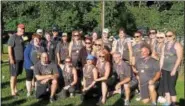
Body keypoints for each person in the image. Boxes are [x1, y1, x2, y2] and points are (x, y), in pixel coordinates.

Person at [160, 30, 183, 106]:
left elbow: (179, 58)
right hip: (164, 69)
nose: (167, 37)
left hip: (172, 69)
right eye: (166, 36)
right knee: (166, 86)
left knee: (171, 86)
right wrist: (160, 68)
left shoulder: (177, 45)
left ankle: (173, 103)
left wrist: (174, 69)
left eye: (169, 36)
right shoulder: (164, 45)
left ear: (173, 36)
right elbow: (162, 57)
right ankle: (168, 101)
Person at [8, 23, 25, 98]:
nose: (22, 30)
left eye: (23, 29)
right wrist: (11, 58)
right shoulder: (13, 37)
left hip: (20, 59)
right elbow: (9, 48)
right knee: (13, 75)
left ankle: (15, 89)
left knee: (16, 75)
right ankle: (12, 92)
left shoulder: (21, 37)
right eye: (21, 29)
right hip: (15, 59)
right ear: (18, 29)